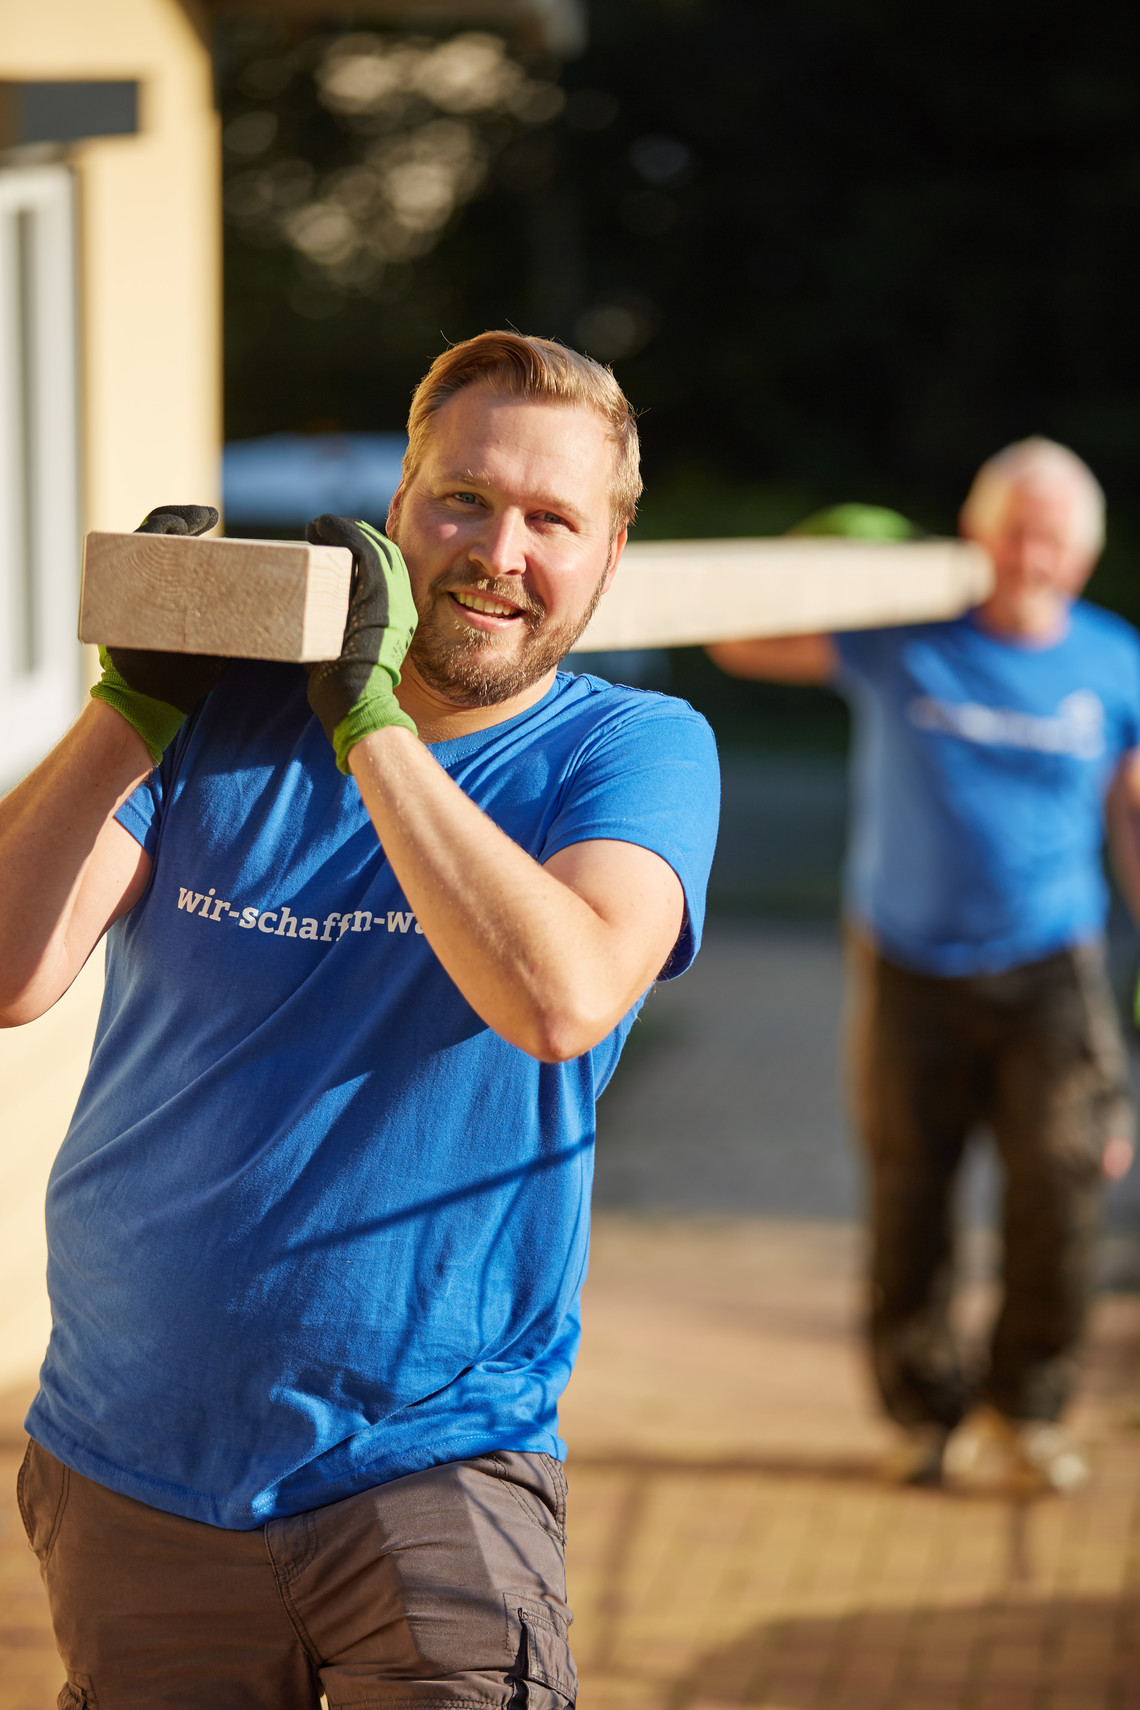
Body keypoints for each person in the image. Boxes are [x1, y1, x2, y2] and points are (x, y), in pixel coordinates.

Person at [0, 331, 719, 1706]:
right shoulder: (217, 714)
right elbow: (9, 969)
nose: (497, 551)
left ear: (610, 553)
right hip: (129, 1459)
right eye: (463, 498)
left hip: (429, 1465)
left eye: (551, 518)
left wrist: (371, 720)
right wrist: (127, 708)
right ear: (399, 511)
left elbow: (558, 996)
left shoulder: (632, 748)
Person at [709, 441, 1140, 1494]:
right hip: (907, 961)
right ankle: (924, 1416)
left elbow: (1133, 815)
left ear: (1083, 555)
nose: (1030, 557)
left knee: (1060, 1187)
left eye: (1052, 540)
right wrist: (822, 557)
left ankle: (1024, 1417)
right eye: (1012, 532)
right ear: (974, 534)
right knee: (911, 1196)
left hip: (1052, 965)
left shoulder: (1114, 661)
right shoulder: (902, 638)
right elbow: (737, 646)